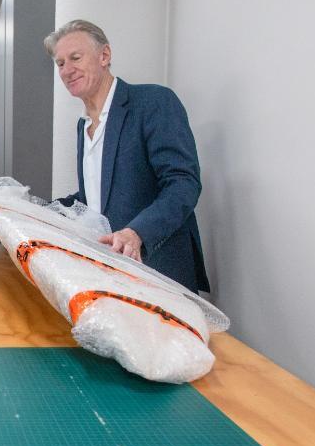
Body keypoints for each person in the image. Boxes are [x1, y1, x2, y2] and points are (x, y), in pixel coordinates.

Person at [46, 19, 209, 293]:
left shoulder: (153, 102)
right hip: (110, 274)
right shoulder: (83, 126)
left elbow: (183, 183)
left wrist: (137, 233)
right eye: (60, 63)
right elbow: (93, 200)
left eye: (75, 57)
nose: (67, 70)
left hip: (159, 272)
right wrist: (27, 211)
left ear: (104, 56)